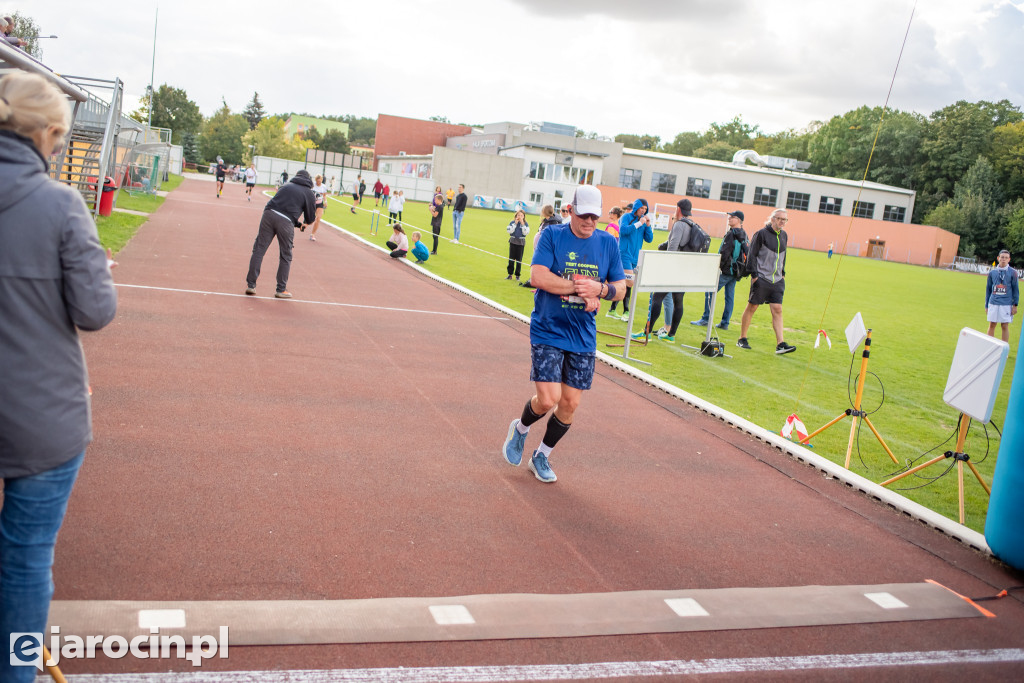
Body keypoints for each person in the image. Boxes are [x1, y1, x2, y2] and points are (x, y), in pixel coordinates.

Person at [0, 73, 118, 683]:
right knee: (24, 560)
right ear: (48, 134)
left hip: (39, 418)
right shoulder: (60, 204)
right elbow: (95, 312)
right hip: (41, 420)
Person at [501, 185, 626, 483]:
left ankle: (541, 454)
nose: (590, 222)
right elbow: (537, 276)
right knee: (548, 400)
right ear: (570, 210)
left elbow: (620, 288)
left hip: (583, 334)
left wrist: (603, 289)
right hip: (548, 327)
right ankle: (520, 429)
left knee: (570, 403)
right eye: (584, 215)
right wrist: (582, 287)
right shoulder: (552, 235)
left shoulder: (608, 243)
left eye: (595, 216)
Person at [632, 199, 697, 342]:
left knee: (657, 298)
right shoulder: (692, 225)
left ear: (678, 209)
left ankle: (647, 331)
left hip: (672, 268)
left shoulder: (679, 224)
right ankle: (671, 335)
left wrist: (664, 266)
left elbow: (672, 248)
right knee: (678, 301)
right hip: (684, 269)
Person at [245, 169, 316, 299]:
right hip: (286, 222)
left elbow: (282, 208)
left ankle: (251, 285)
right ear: (309, 180)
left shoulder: (286, 186)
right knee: (286, 255)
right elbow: (310, 217)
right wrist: (305, 224)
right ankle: (281, 289)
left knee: (259, 250)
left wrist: (298, 223)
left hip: (269, 213)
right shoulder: (309, 193)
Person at [736, 208, 796, 354]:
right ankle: (742, 338)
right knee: (752, 307)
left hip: (777, 280)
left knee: (777, 309)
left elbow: (784, 256)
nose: (782, 221)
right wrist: (755, 275)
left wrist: (783, 273)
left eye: (785, 219)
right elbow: (751, 255)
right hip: (761, 278)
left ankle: (780, 344)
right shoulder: (761, 234)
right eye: (779, 218)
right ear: (772, 219)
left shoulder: (784, 235)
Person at [691, 210, 748, 330]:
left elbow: (724, 252)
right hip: (736, 271)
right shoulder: (744, 234)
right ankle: (725, 323)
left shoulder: (732, 233)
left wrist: (719, 266)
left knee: (709, 291)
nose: (729, 218)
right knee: (729, 296)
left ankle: (706, 319)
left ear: (738, 220)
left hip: (727, 270)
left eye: (732, 217)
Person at [609, 198, 653, 320]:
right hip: (624, 253)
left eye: (645, 209)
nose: (643, 211)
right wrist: (639, 223)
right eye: (641, 208)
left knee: (625, 282)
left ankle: (612, 310)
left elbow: (649, 239)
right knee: (630, 282)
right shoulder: (627, 217)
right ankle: (626, 312)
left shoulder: (644, 221)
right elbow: (623, 231)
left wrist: (648, 225)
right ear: (636, 207)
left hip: (635, 256)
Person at [986, 250, 1019, 343]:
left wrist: (1015, 305)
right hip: (993, 302)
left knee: (1004, 325)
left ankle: (1004, 348)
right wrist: (986, 305)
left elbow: (1016, 289)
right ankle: (989, 346)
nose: (1003, 259)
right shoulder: (992, 272)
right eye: (1002, 257)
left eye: (1006, 257)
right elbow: (988, 289)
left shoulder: (1013, 273)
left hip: (1006, 303)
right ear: (998, 258)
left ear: (1009, 259)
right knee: (992, 324)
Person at [506, 209, 530, 281]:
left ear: (524, 217)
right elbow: (509, 231)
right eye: (518, 215)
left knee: (519, 260)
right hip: (513, 242)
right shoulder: (512, 222)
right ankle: (510, 274)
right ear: (516, 216)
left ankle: (517, 275)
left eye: (521, 215)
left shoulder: (525, 224)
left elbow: (526, 233)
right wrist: (515, 224)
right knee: (511, 259)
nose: (520, 216)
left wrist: (522, 224)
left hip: (521, 243)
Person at [309, 174, 328, 241]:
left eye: (320, 181)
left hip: (319, 203)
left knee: (318, 219)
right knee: (310, 221)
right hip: (312, 204)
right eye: (317, 181)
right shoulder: (312, 185)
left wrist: (325, 202)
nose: (318, 183)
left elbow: (324, 195)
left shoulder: (323, 187)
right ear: (315, 180)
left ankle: (312, 234)